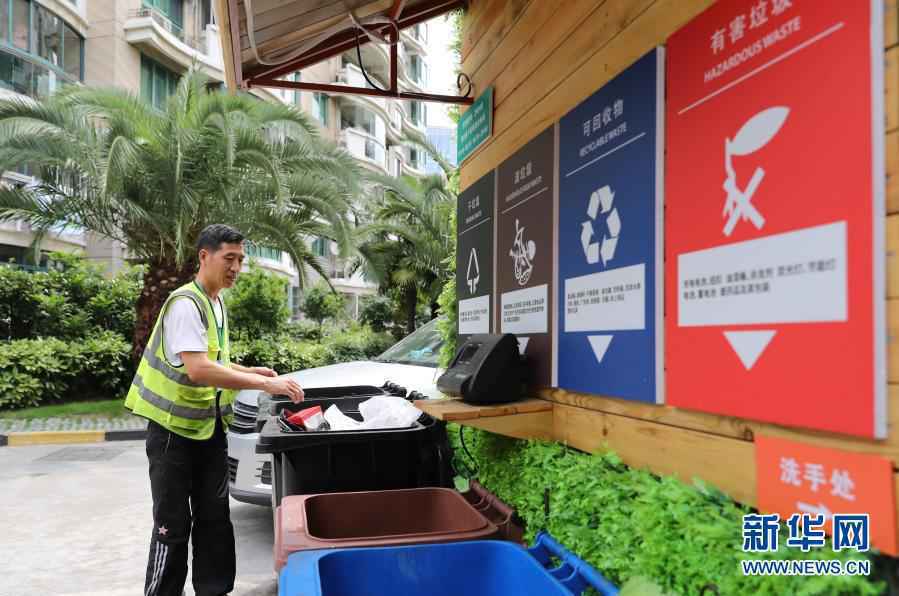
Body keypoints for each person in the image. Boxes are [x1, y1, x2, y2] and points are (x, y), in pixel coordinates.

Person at [124, 224, 304, 596]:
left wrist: (246, 371)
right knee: (172, 526)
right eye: (229, 259)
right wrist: (265, 384)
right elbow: (198, 369)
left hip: (207, 431)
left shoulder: (215, 302)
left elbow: (212, 360)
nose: (236, 267)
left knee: (215, 521)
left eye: (241, 260)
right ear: (204, 256)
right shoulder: (186, 304)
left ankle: (214, 591)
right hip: (172, 434)